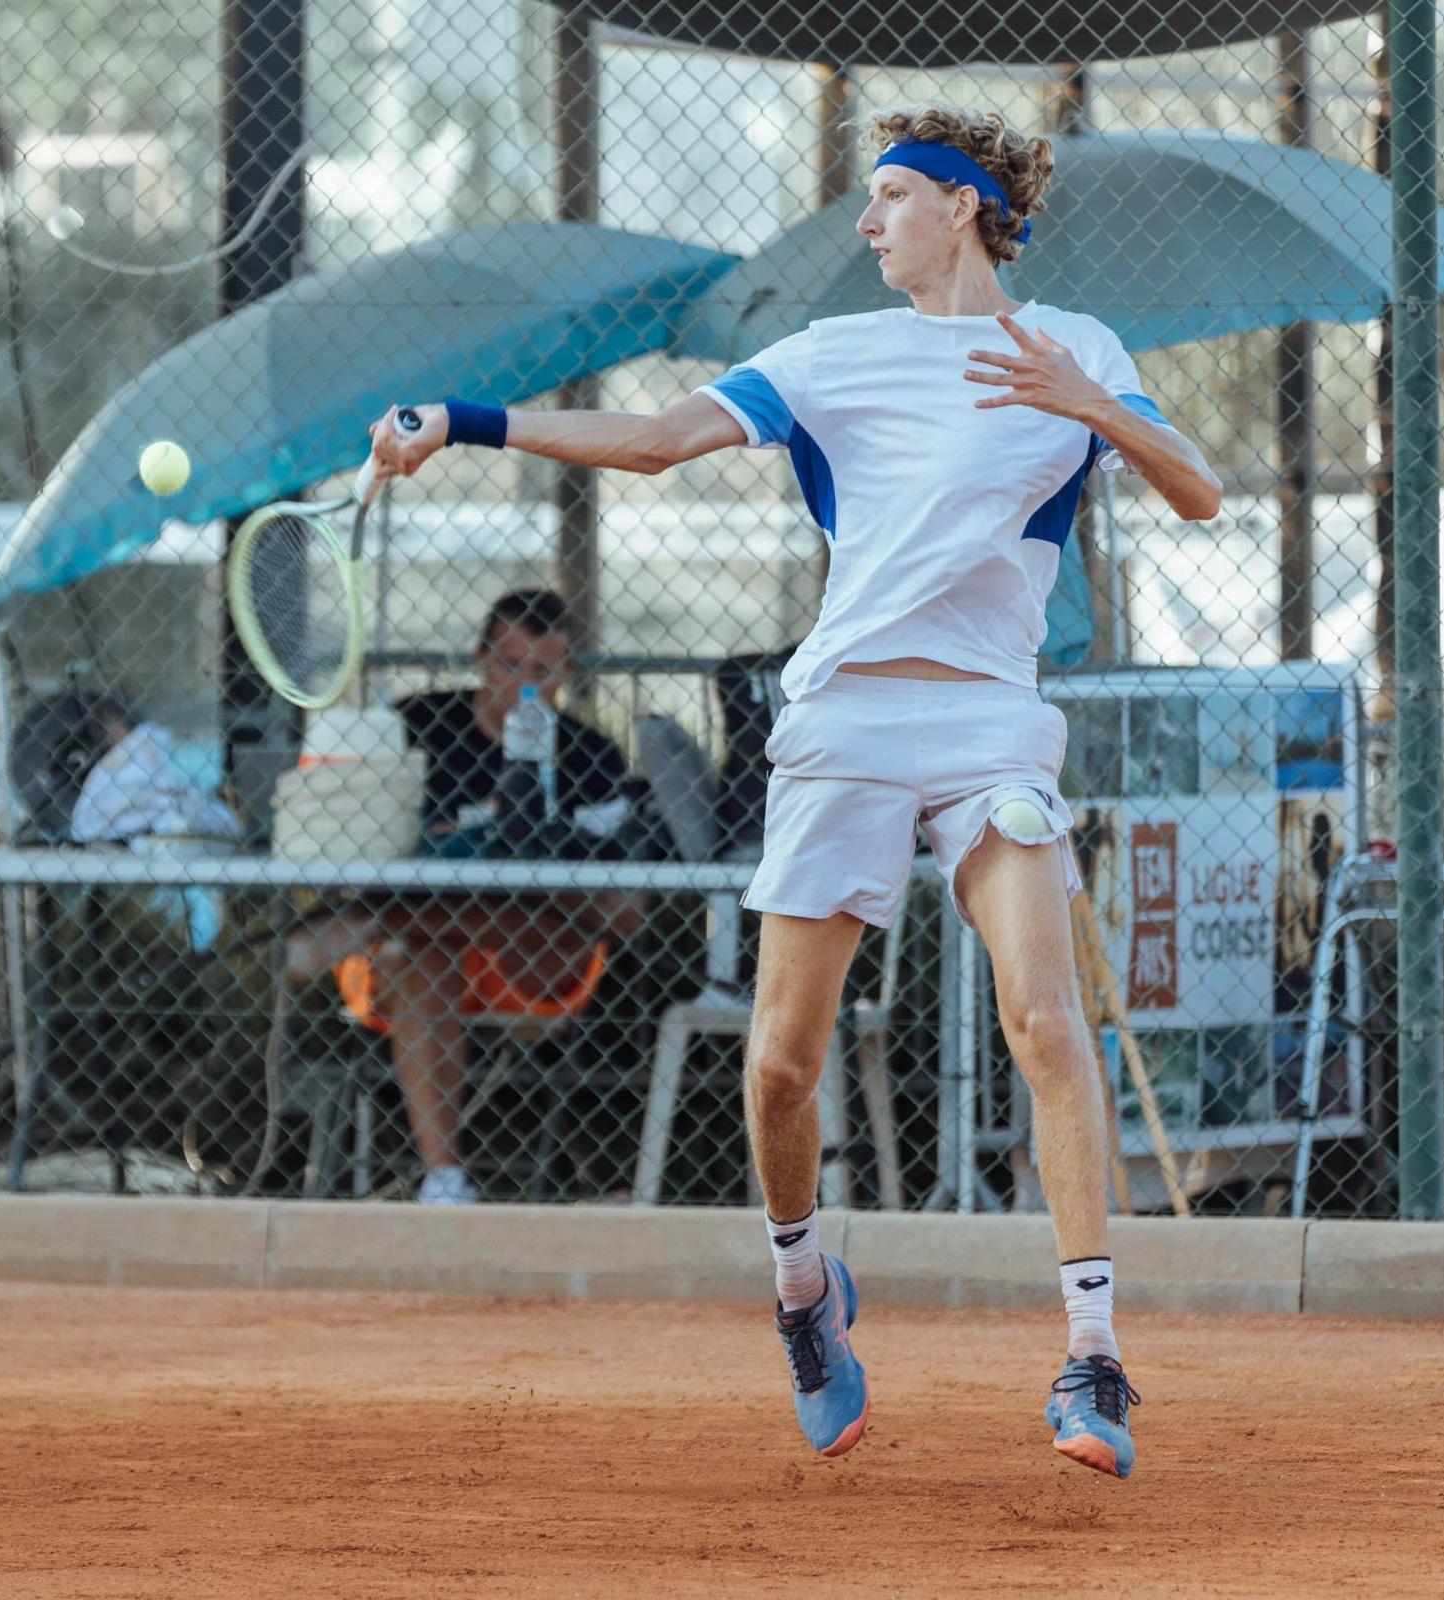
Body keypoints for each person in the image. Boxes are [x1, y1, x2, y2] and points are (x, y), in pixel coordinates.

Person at [361, 107, 1221, 1477]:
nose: (868, 224)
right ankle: (805, 1295)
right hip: (845, 722)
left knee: (1046, 1022)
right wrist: (460, 423)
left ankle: (1095, 1360)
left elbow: (1202, 495)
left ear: (964, 210)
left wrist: (1094, 408)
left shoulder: (1076, 349)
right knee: (778, 1067)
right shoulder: (835, 357)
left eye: (888, 198)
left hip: (995, 720)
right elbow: (653, 437)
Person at [291, 589, 641, 1205]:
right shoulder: (417, 726)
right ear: (481, 659)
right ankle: (445, 1180)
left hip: (532, 962)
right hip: (418, 964)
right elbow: (361, 843)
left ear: (566, 673)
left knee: (516, 915)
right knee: (423, 956)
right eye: (510, 667)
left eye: (543, 672)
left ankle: (392, 919)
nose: (525, 689)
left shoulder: (591, 754)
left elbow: (621, 912)